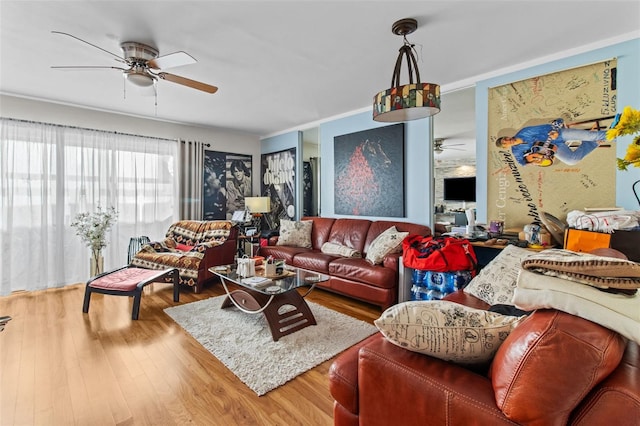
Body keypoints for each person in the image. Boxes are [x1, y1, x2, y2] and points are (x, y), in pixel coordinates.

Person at [496, 118, 607, 166]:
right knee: (572, 161)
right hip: (554, 148)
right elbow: (522, 162)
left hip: (559, 135)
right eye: (504, 143)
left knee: (591, 135)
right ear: (506, 148)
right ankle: (594, 142)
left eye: (505, 138)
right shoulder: (516, 151)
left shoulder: (525, 132)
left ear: (507, 136)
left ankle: (617, 135)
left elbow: (551, 124)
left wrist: (555, 131)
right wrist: (535, 161)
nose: (507, 141)